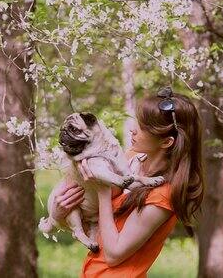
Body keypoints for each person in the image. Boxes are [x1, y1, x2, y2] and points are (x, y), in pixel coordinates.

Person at [51, 88, 204, 277]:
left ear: (166, 142)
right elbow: (94, 216)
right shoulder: (133, 158)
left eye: (142, 127)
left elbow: (114, 254)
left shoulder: (162, 195)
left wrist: (103, 190)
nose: (132, 129)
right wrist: (59, 214)